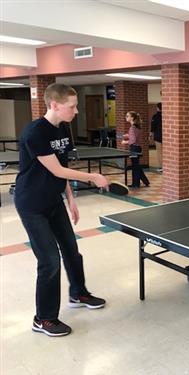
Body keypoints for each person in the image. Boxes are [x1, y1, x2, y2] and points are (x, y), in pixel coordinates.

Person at [15, 83, 108, 337]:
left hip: (54, 200)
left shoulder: (63, 129)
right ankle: (43, 319)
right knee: (49, 261)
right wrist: (91, 177)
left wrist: (71, 198)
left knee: (71, 251)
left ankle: (78, 293)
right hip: (32, 204)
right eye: (72, 106)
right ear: (54, 105)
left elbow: (62, 168)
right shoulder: (35, 132)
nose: (76, 111)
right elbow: (55, 170)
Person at [122, 111, 150, 188]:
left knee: (135, 166)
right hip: (137, 148)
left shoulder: (132, 128)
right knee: (136, 166)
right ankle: (145, 181)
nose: (126, 117)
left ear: (132, 118)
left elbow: (133, 140)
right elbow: (135, 137)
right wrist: (128, 135)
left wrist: (125, 141)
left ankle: (136, 184)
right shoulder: (137, 127)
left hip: (134, 148)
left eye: (127, 116)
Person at [150, 103, 162, 172]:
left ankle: (161, 167)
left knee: (159, 152)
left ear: (158, 108)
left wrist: (150, 135)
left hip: (157, 136)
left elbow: (152, 127)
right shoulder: (167, 115)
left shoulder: (155, 116)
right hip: (166, 136)